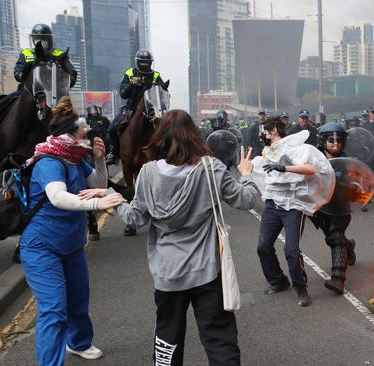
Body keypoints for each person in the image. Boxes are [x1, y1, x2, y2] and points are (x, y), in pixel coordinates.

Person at [96, 110, 259, 365]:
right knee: (219, 340)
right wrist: (246, 173)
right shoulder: (211, 168)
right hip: (207, 270)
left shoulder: (147, 173)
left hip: (168, 273)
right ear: (194, 136)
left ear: (160, 138)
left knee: (167, 340)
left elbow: (135, 218)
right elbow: (246, 199)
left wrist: (112, 199)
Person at [19, 96, 125, 366]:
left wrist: (100, 161)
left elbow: (97, 183)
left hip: (72, 244)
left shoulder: (75, 158)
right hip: (42, 247)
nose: (88, 133)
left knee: (78, 300)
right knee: (54, 310)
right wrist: (98, 203)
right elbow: (58, 197)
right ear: (69, 133)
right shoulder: (49, 160)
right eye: (82, 130)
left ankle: (77, 343)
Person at [253, 116, 334, 307]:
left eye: (263, 131)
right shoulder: (268, 151)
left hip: (293, 206)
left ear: (273, 131)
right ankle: (278, 281)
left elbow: (310, 168)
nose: (261, 135)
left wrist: (284, 167)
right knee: (263, 247)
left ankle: (301, 288)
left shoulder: (295, 149)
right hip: (273, 205)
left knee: (291, 250)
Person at [0, 24, 77, 134]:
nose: (40, 43)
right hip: (28, 91)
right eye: (37, 40)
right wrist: (22, 74)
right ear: (33, 40)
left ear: (50, 40)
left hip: (56, 93)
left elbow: (72, 71)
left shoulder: (59, 54)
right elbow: (18, 71)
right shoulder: (26, 53)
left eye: (44, 40)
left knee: (74, 120)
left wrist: (70, 77)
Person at [310, 122, 357, 294]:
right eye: (331, 140)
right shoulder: (312, 159)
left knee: (335, 236)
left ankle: (338, 279)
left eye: (339, 140)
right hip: (321, 208)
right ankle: (349, 247)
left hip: (341, 206)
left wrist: (355, 182)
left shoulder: (349, 162)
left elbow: (358, 184)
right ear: (323, 140)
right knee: (333, 238)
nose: (335, 143)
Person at [106, 49, 164, 164]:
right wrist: (131, 84)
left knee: (166, 129)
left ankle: (166, 154)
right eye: (143, 62)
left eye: (147, 63)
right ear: (138, 62)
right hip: (130, 108)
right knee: (111, 129)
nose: (145, 65)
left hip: (151, 110)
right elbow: (123, 94)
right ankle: (114, 152)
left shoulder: (156, 75)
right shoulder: (130, 73)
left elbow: (163, 92)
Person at [85, 105, 111, 241]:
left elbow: (108, 132)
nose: (94, 113)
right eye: (92, 111)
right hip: (89, 150)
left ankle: (114, 153)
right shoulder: (85, 122)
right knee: (122, 122)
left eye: (96, 111)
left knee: (115, 127)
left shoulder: (104, 120)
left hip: (100, 150)